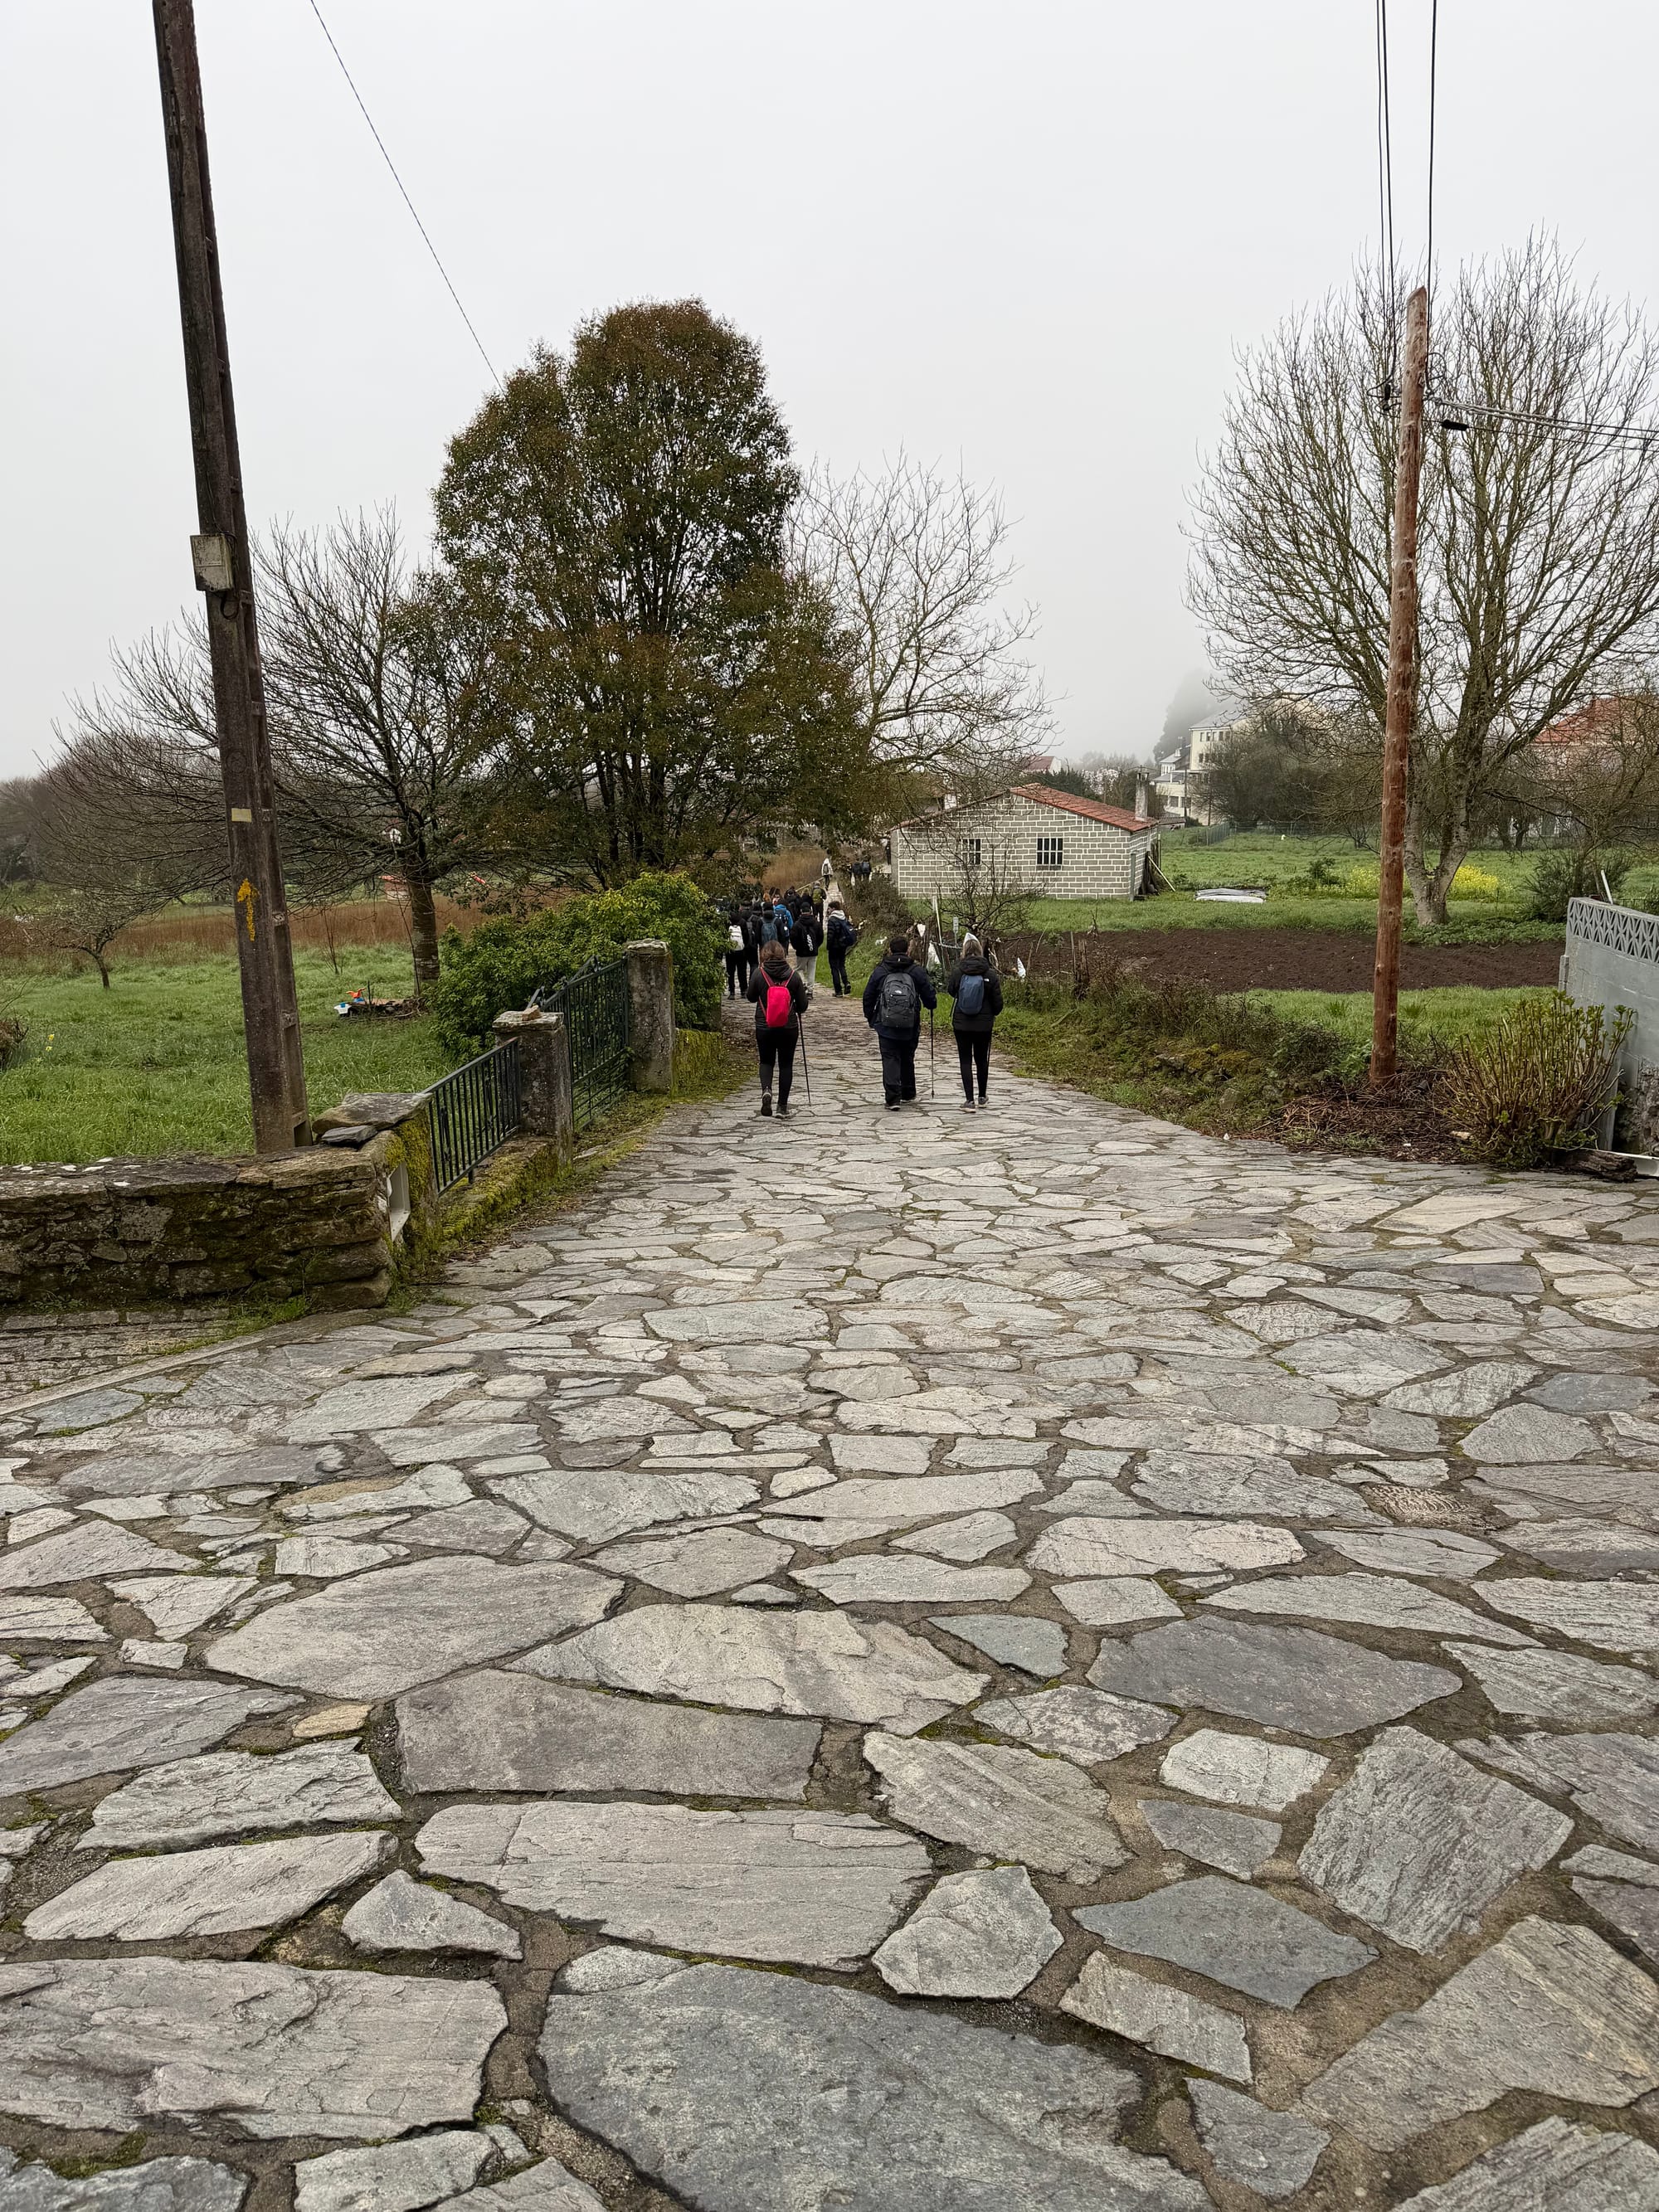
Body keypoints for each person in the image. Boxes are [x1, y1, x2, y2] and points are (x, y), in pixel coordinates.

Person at [862, 931, 937, 1109]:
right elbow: (930, 997)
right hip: (910, 1023)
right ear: (908, 950)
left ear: (890, 950)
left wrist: (871, 1018)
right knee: (907, 1056)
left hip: (885, 1024)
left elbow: (868, 996)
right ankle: (908, 1092)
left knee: (890, 1057)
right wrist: (930, 1005)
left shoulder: (881, 970)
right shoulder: (916, 971)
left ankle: (893, 1098)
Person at [746, 936, 810, 1117]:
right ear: (783, 955)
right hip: (788, 1027)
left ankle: (767, 1090)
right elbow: (803, 1006)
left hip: (764, 1025)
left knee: (766, 1061)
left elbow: (750, 997)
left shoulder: (759, 974)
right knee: (786, 1065)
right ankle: (782, 1107)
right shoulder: (793, 976)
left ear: (764, 955)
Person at [943, 931, 1004, 1111]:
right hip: (984, 1025)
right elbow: (998, 1004)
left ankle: (969, 1100)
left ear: (964, 951)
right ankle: (982, 1096)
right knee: (981, 1059)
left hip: (962, 1023)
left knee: (965, 1060)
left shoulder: (958, 972)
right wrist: (991, 1012)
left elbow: (951, 991)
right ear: (980, 950)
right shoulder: (990, 974)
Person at [825, 899, 859, 995]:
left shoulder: (832, 919)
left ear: (833, 908)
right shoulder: (843, 917)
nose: (828, 910)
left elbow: (830, 935)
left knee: (834, 968)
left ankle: (838, 990)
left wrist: (828, 946)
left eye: (829, 908)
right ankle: (846, 982)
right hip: (843, 945)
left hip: (834, 947)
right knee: (842, 965)